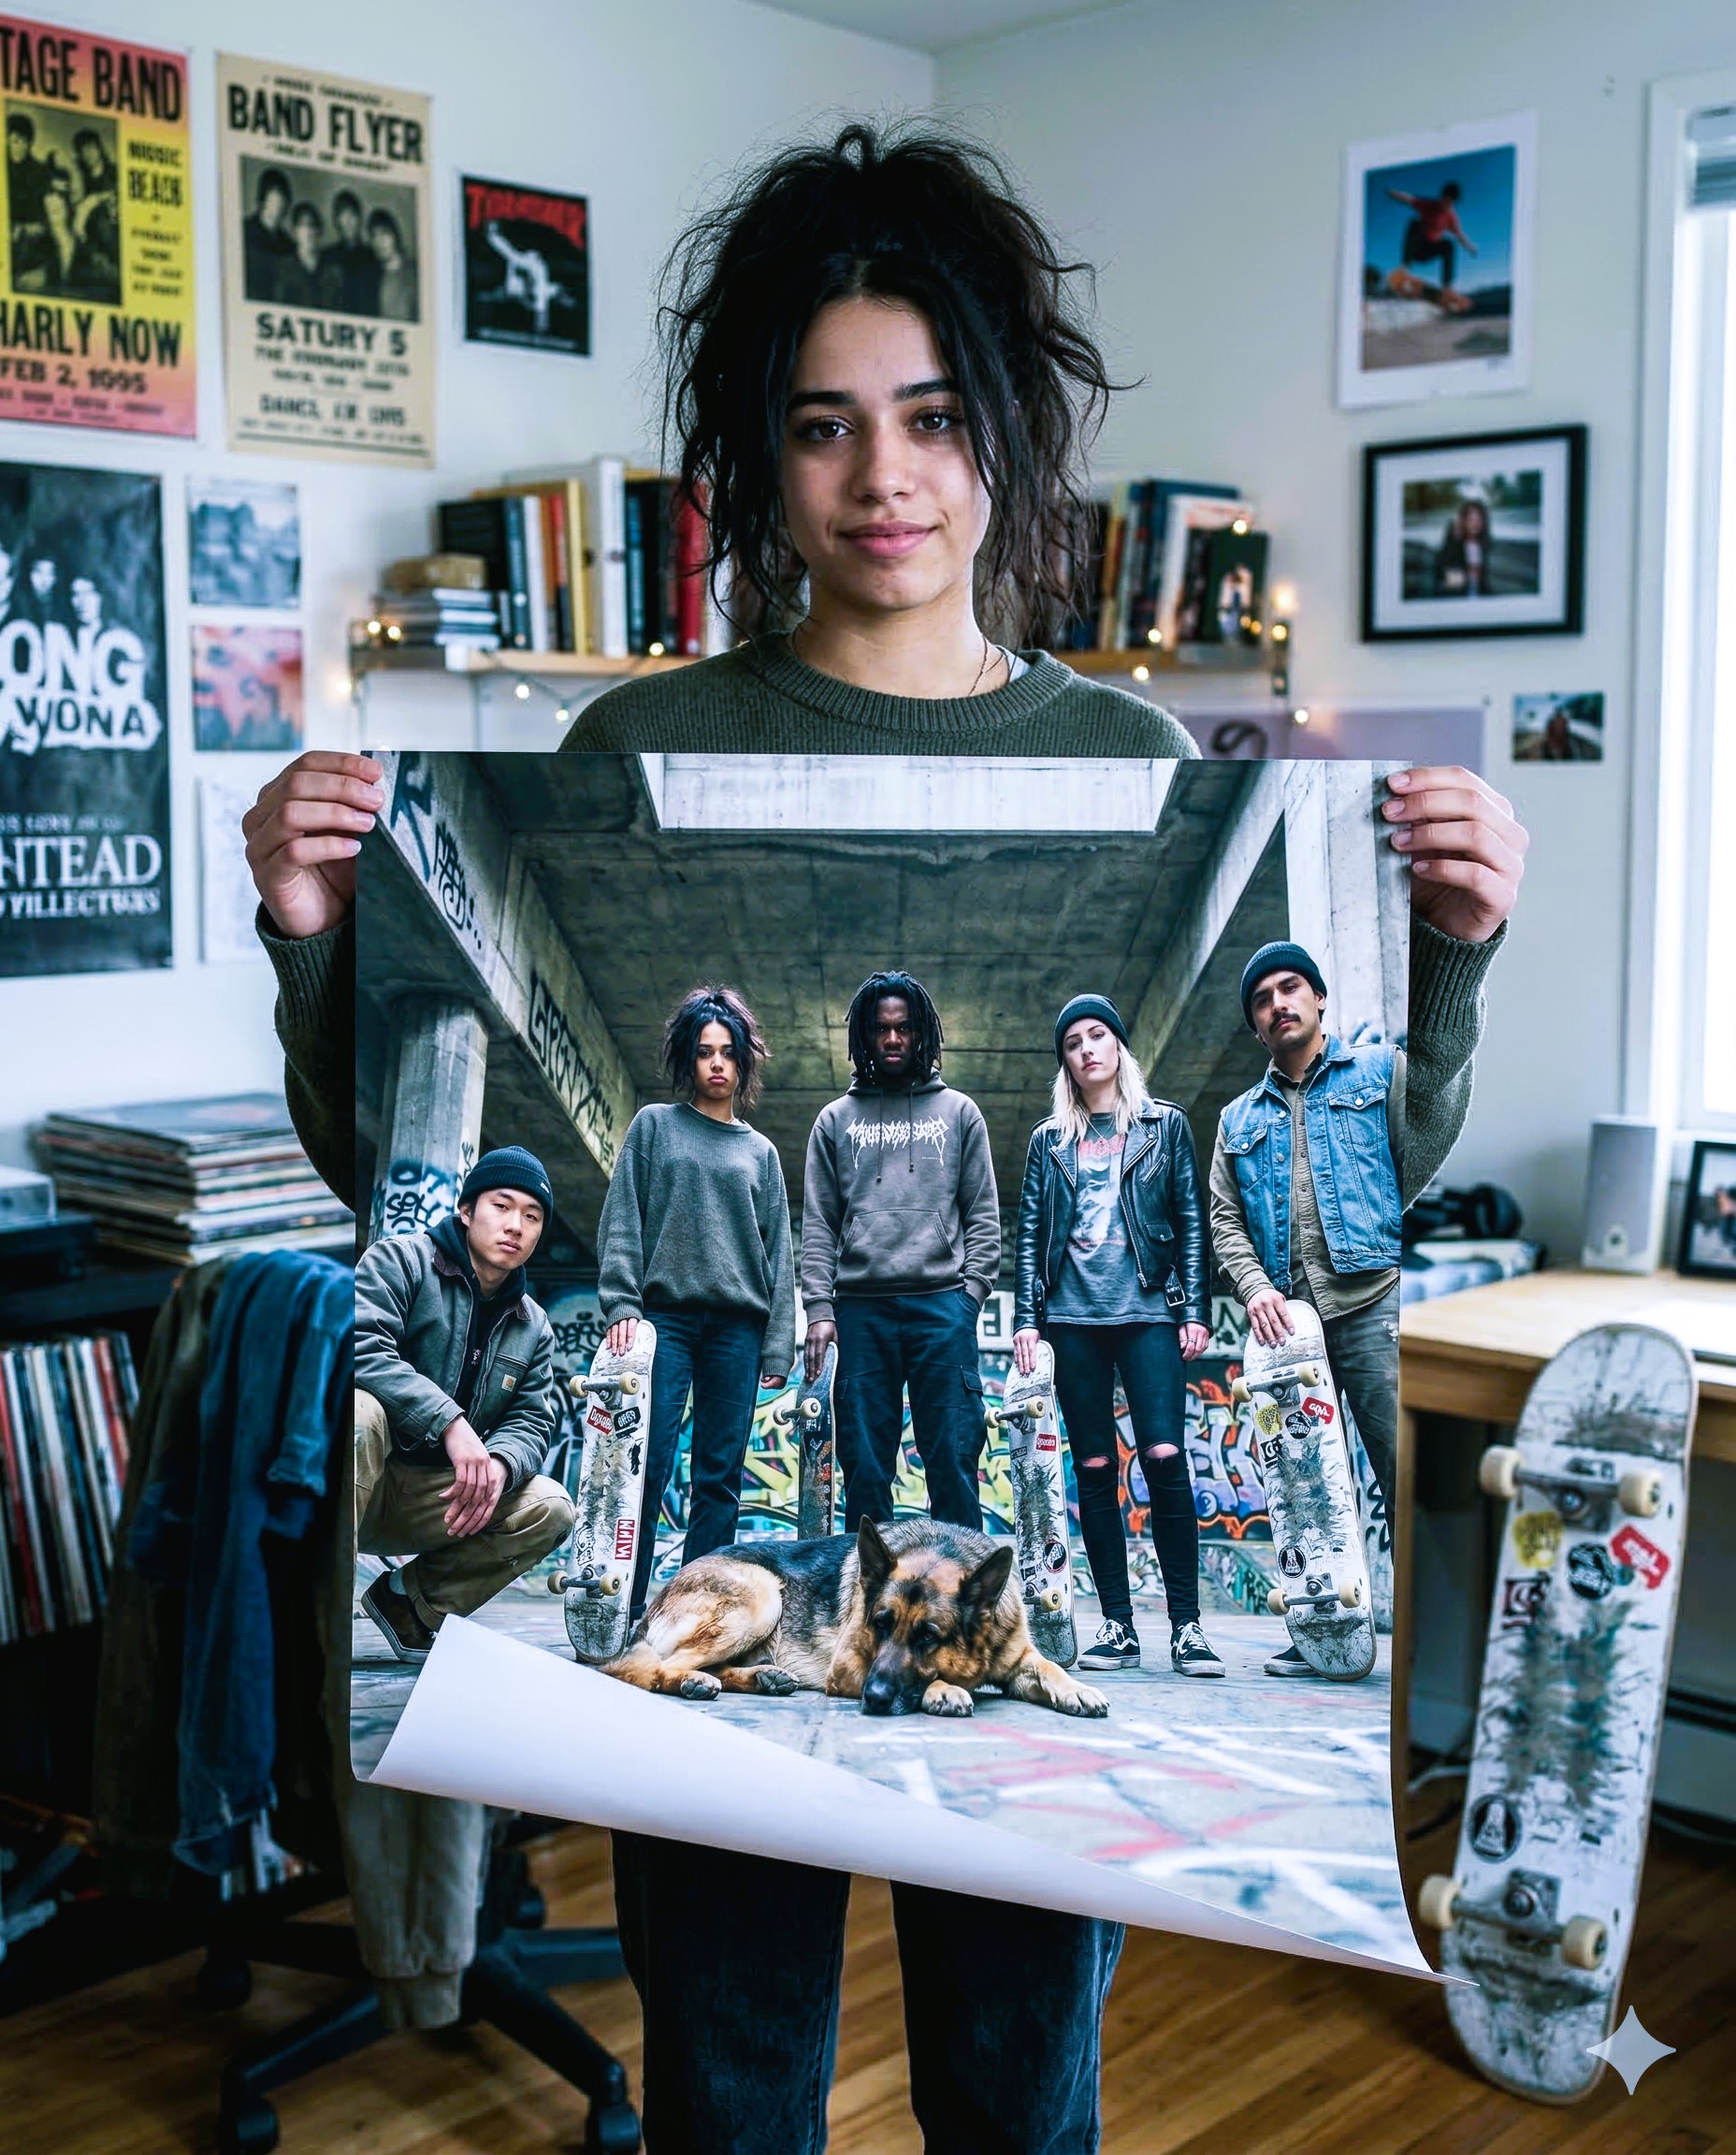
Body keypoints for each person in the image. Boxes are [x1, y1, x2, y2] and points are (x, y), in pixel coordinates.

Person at [245, 115, 1528, 2155]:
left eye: (930, 417)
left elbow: (1334, 1179)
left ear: (1001, 434)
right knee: (734, 2082)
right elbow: (377, 1176)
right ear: (762, 450)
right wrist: (315, 941)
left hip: (976, 1384)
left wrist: (1444, 954)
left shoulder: (1134, 752)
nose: (883, 479)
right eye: (826, 426)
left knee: (1022, 2091)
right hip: (755, 1475)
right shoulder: (623, 750)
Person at [1208, 931, 1498, 1678]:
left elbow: (1426, 1136)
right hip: (1287, 1331)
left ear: (1318, 997)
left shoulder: (1380, 1073)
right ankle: (1322, 1638)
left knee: (1404, 1471)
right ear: (1256, 1024)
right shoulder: (1239, 1118)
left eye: (1289, 990)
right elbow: (1223, 1218)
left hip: (1371, 1304)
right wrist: (1258, 1289)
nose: (1278, 1005)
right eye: (1263, 1001)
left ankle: (1434, 1646)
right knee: (1302, 1491)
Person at [1013, 995, 1222, 1678]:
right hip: (1072, 1322)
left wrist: (1194, 1307)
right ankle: (1118, 1626)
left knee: (1164, 1458)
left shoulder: (1164, 1127)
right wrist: (1026, 1320)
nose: (1086, 1050)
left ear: (1119, 1047)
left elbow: (1192, 1217)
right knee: (1096, 1470)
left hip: (1150, 1314)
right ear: (1066, 1063)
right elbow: (1029, 1235)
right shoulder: (1050, 1140)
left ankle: (1188, 1628)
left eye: (1097, 1036)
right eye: (1073, 1043)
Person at [593, 985, 796, 1622]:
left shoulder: (759, 1152)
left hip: (737, 1328)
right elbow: (623, 1218)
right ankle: (622, 1608)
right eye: (705, 1052)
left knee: (718, 1477)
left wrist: (779, 1343)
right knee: (645, 1466)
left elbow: (780, 1254)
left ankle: (698, 1613)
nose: (717, 1064)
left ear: (743, 1063)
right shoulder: (655, 1126)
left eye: (728, 1053)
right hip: (665, 1323)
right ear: (689, 1058)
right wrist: (623, 1303)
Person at [353, 1146, 574, 1664]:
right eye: (501, 1206)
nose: (515, 1225)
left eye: (532, 1215)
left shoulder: (533, 1325)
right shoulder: (400, 1260)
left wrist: (500, 1461)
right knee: (358, 1413)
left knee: (550, 1505)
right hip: (361, 1473)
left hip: (439, 1501)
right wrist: (450, 1424)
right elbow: (358, 1347)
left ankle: (409, 1605)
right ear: (467, 1210)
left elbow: (532, 1418)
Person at [802, 970, 999, 1532]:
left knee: (955, 1462)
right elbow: (819, 1223)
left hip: (942, 1305)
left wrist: (969, 1299)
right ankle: (870, 1607)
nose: (893, 1040)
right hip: (861, 1311)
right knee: (864, 1468)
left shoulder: (960, 1113)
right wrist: (820, 1310)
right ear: (864, 1036)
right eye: (882, 1030)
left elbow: (983, 1213)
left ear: (921, 1035)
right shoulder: (834, 1121)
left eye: (904, 1029)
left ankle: (964, 1605)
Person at [1386, 177, 1477, 291]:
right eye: (1446, 201)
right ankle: (1405, 268)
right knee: (1415, 223)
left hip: (1429, 251)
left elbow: (1460, 236)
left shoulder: (1451, 217)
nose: (1447, 205)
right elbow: (1409, 199)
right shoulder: (1428, 205)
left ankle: (1446, 286)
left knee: (1449, 245)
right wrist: (1393, 193)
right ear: (1442, 198)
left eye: (1451, 203)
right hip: (1416, 248)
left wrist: (1470, 248)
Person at [321, 187, 379, 314]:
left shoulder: (372, 256)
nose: (348, 222)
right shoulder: (327, 256)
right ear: (337, 220)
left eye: (352, 215)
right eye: (343, 216)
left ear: (359, 219)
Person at [272, 202, 340, 311]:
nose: (308, 232)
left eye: (312, 226)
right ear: (295, 232)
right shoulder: (284, 268)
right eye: (302, 226)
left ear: (319, 232)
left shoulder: (333, 271)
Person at [242, 166, 294, 301]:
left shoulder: (288, 245)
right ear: (263, 198)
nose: (280, 203)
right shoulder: (244, 232)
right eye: (275, 196)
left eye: (284, 197)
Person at [1435, 496, 1493, 597]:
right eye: (1471, 519)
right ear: (1463, 521)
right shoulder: (1454, 547)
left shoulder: (1486, 547)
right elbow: (1449, 581)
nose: (1475, 523)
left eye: (1479, 519)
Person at [369, 208, 418, 321]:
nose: (379, 242)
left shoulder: (414, 273)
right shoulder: (372, 275)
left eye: (384, 234)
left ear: (395, 236)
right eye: (374, 236)